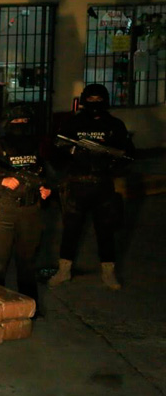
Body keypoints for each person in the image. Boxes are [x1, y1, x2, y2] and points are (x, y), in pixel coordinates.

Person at [49, 84, 133, 290]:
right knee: (71, 231)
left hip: (103, 186)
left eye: (98, 99)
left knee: (105, 232)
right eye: (91, 99)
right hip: (77, 185)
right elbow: (57, 153)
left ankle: (108, 273)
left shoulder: (114, 125)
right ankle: (64, 271)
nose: (95, 103)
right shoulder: (73, 123)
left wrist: (109, 162)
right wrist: (73, 154)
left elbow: (127, 154)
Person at [0, 105, 52, 313]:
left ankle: (28, 308)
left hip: (30, 211)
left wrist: (46, 189)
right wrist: (2, 181)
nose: (20, 125)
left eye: (24, 121)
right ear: (7, 124)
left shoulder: (37, 145)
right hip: (4, 211)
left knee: (27, 264)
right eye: (16, 122)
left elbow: (47, 174)